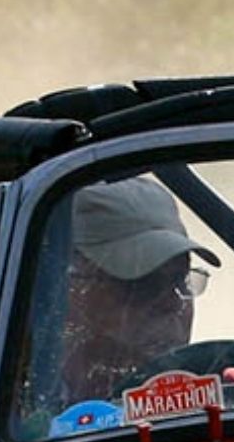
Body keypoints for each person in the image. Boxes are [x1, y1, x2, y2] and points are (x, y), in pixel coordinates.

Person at [52, 176, 219, 415]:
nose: (172, 303)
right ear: (70, 288)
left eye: (181, 279)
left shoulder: (225, 396)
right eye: (144, 283)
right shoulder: (7, 409)